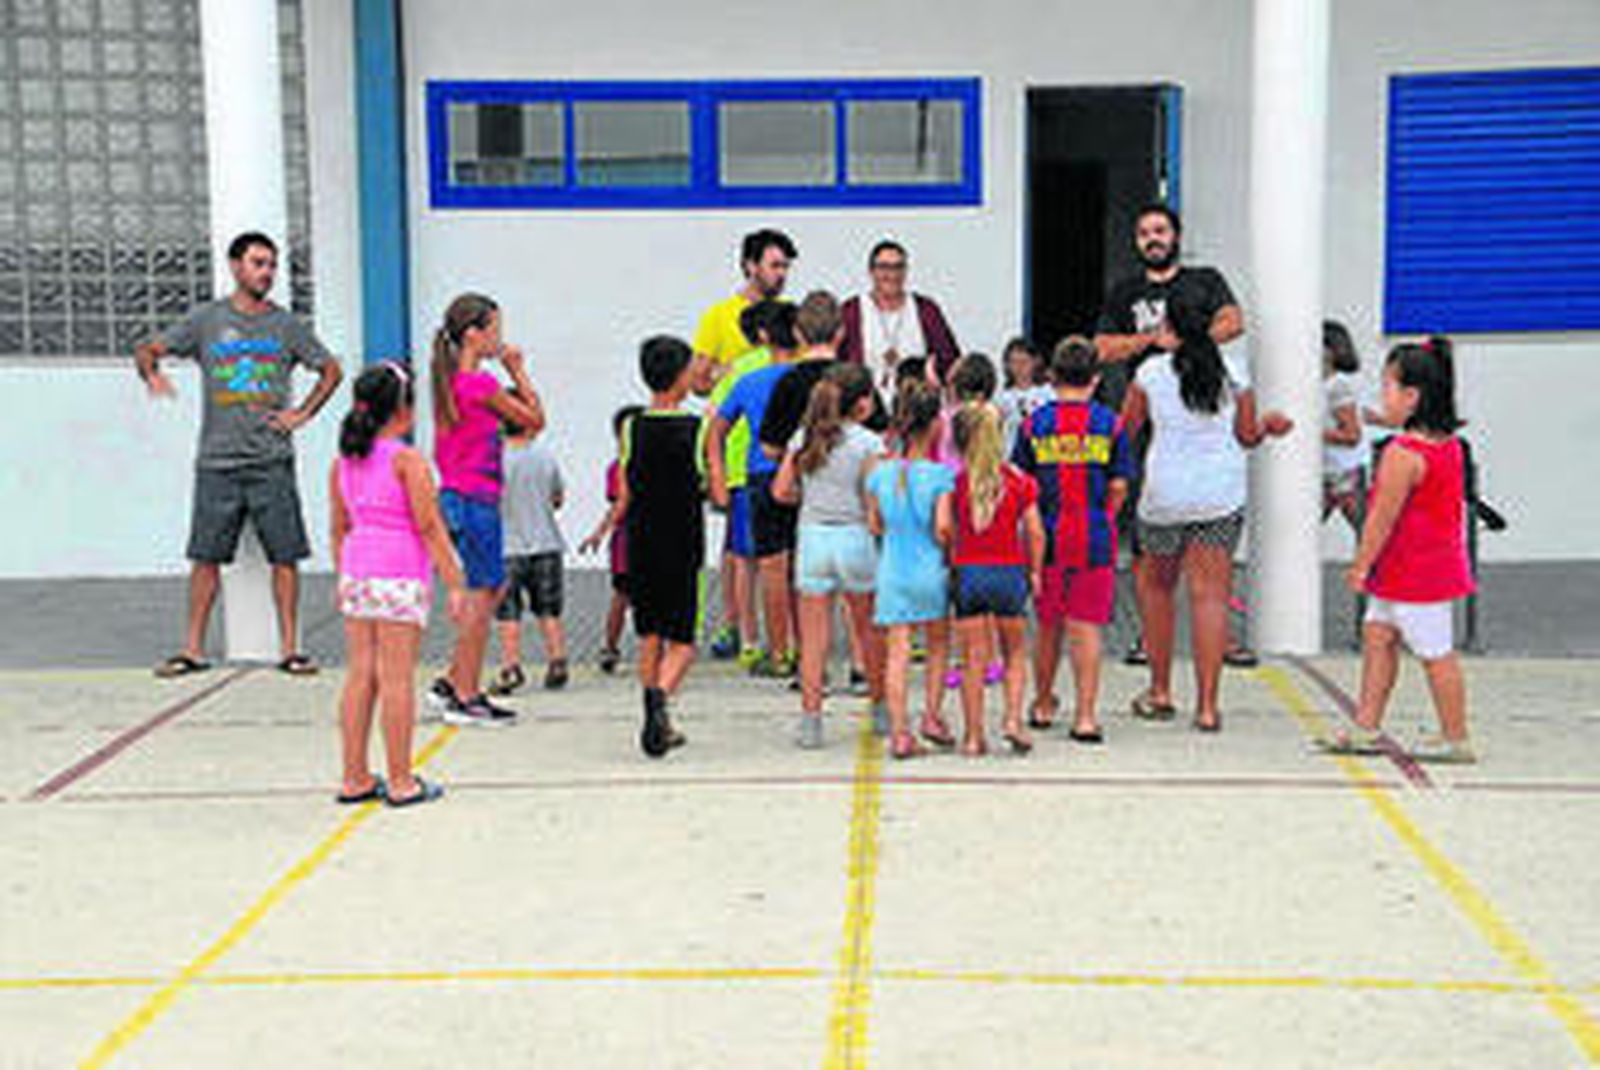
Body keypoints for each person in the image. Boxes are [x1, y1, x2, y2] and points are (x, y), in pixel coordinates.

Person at [136, 230, 343, 678]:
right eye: (258, 263)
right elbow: (148, 348)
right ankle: (192, 649)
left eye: (271, 265)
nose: (266, 272)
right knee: (205, 557)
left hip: (271, 461)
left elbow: (331, 369)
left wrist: (302, 412)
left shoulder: (286, 326)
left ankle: (291, 648)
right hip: (218, 463)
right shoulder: (207, 320)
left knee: (284, 556)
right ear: (235, 266)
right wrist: (151, 373)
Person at [1119, 301, 1292, 732]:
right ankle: (1208, 706)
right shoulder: (1234, 374)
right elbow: (1247, 437)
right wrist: (1267, 426)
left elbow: (1125, 432)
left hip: (1163, 498)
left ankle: (1159, 692)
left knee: (1157, 592)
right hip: (1219, 497)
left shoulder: (1151, 373)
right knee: (1210, 598)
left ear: (1169, 330)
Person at [1093, 204, 1254, 667]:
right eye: (1144, 232)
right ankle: (1150, 637)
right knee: (1152, 550)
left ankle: (1222, 640)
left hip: (1206, 419)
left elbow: (1233, 321)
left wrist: (1187, 341)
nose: (1153, 238)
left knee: (1211, 550)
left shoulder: (1204, 280)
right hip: (1153, 422)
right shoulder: (1125, 292)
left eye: (1160, 230)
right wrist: (1150, 342)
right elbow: (1102, 346)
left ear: (1177, 235)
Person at [1320, 337, 1476, 764]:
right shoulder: (1445, 445)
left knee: (1435, 653)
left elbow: (1380, 519)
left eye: (1386, 387)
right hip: (1414, 567)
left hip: (1413, 573)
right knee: (1378, 637)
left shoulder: (1401, 454)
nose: (1380, 395)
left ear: (1412, 397)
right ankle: (1366, 726)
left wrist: (1360, 565)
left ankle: (1456, 736)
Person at [329, 363, 464, 808]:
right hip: (399, 572)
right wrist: (456, 582)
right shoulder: (408, 460)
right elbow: (429, 526)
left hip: (358, 572)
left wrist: (343, 575)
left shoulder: (344, 461)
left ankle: (354, 777)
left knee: (360, 674)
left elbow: (339, 526)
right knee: (396, 677)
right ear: (404, 410)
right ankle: (402, 780)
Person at [426, 293, 545, 726]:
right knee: (484, 594)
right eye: (494, 328)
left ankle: (454, 680)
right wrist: (517, 371)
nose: (500, 337)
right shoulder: (479, 384)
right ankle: (466, 694)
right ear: (474, 334)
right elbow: (534, 420)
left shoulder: (448, 383)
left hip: (458, 496)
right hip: (475, 500)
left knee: (488, 591)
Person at [1013, 337, 1132, 743]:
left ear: (1051, 378)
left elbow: (1021, 485)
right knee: (1086, 628)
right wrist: (1105, 518)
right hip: (1093, 536)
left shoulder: (1034, 424)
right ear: (1096, 379)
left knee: (1048, 625)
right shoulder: (1110, 425)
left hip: (1046, 538)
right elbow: (1119, 486)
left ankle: (1044, 703)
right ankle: (1085, 716)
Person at [695, 230, 796, 663]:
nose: (782, 273)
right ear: (750, 265)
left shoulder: (788, 318)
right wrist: (730, 372)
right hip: (738, 450)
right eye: (775, 265)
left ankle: (776, 633)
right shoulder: (719, 317)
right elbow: (699, 381)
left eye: (786, 266)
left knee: (773, 549)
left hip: (780, 455)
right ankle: (736, 627)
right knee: (739, 549)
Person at [773, 362, 886, 749]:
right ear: (861, 404)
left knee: (813, 637)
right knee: (867, 631)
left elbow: (781, 490)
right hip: (854, 536)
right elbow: (874, 501)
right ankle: (880, 707)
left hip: (813, 537)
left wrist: (809, 497)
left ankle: (811, 720)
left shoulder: (804, 437)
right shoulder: (870, 443)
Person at [706, 301, 805, 679]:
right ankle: (802, 646)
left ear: (763, 336)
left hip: (761, 474)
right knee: (802, 568)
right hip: (803, 474)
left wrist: (716, 473)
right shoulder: (808, 378)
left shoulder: (749, 381)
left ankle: (777, 650)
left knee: (770, 567)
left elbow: (716, 427)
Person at [620, 336, 705, 758]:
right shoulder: (698, 427)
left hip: (642, 539)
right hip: (683, 540)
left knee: (649, 633)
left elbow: (627, 484)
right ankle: (660, 702)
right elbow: (709, 482)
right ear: (680, 377)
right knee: (684, 641)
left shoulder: (631, 426)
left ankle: (655, 713)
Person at [864, 381, 957, 760]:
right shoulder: (940, 476)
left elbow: (874, 525)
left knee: (897, 652)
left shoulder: (880, 474)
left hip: (893, 570)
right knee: (938, 646)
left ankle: (900, 733)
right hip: (930, 570)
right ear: (936, 425)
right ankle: (932, 716)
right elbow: (943, 528)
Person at [949, 403, 1044, 756]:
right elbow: (1035, 532)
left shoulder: (958, 483)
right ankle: (1012, 720)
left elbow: (949, 530)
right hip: (1009, 572)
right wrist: (1034, 570)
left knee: (973, 659)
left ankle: (973, 736)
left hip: (970, 572)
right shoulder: (1019, 482)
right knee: (1015, 652)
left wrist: (951, 563)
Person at [490, 392, 568, 694]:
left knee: (508, 612)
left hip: (507, 547)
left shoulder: (493, 460)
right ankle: (557, 660)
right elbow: (557, 498)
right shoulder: (545, 456)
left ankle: (511, 667)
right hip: (546, 543)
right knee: (549, 609)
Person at [839, 239, 962, 387]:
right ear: (871, 271)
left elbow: (950, 360)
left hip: (918, 406)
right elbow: (840, 364)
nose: (892, 274)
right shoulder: (851, 311)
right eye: (884, 267)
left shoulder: (926, 310)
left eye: (898, 267)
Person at [580, 404, 645, 674]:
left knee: (638, 597)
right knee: (622, 596)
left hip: (643, 540)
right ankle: (610, 646)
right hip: (628, 542)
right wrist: (600, 532)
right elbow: (618, 505)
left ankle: (646, 648)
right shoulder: (617, 469)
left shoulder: (640, 466)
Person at [1322, 319, 1366, 534]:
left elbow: (1351, 435)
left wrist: (1310, 434)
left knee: (1367, 532)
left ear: (1330, 349)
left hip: (1342, 471)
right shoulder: (1324, 384)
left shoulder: (1338, 385)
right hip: (1327, 470)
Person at [995, 336, 1053, 457]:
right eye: (1014, 362)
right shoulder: (1002, 397)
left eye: (1024, 362)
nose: (1019, 368)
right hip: (1011, 455)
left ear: (1035, 362)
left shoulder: (1048, 393)